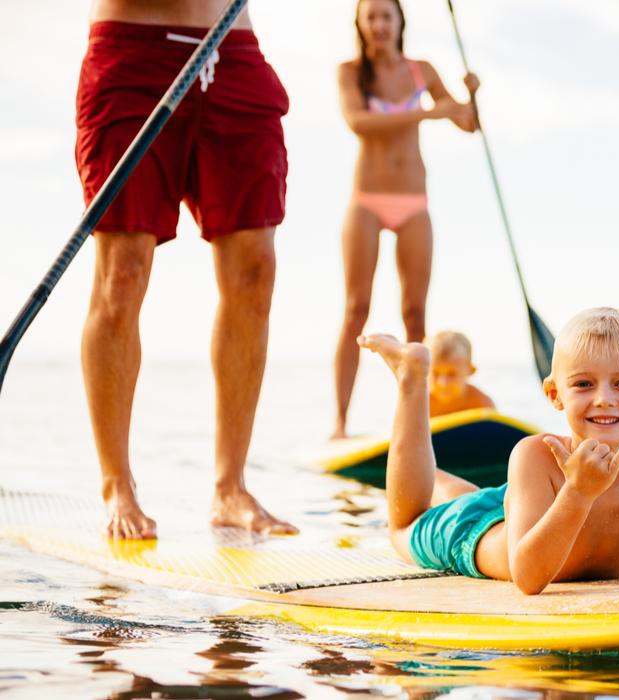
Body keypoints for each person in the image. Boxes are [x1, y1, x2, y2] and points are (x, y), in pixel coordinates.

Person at [358, 308, 619, 595]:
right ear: (555, 394)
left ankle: (449, 480)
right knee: (403, 525)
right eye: (583, 384)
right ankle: (412, 377)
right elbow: (528, 578)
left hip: (517, 510)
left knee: (470, 495)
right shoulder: (536, 455)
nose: (604, 400)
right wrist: (577, 492)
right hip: (471, 536)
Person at [77, 0, 296, 539]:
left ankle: (231, 487)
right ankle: (116, 485)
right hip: (134, 51)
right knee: (122, 273)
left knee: (255, 271)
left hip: (232, 50)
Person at [331, 0, 480, 440]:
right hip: (367, 201)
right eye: (370, 17)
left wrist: (471, 95)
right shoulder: (350, 71)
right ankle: (340, 424)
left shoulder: (422, 71)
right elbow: (359, 122)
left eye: (385, 16)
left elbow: (468, 123)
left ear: (400, 22)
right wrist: (428, 113)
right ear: (360, 23)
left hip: (414, 202)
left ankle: (417, 424)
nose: (378, 24)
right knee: (356, 309)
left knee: (415, 316)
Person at [427, 331, 495, 418]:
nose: (443, 383)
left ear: (471, 371)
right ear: (425, 371)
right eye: (435, 374)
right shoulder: (421, 403)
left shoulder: (482, 404)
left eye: (451, 374)